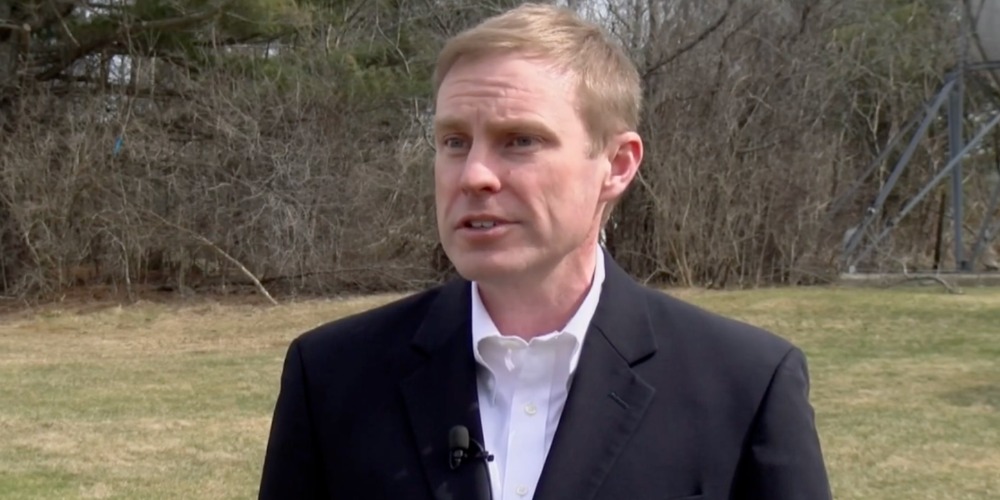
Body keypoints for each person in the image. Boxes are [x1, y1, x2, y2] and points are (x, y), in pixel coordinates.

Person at [257, 3, 832, 500]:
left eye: (520, 141)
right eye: (454, 141)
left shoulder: (745, 384)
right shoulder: (332, 376)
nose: (474, 175)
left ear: (617, 165)